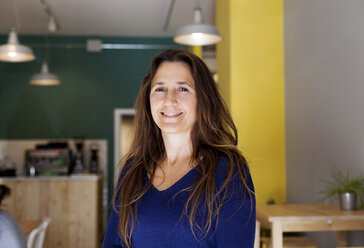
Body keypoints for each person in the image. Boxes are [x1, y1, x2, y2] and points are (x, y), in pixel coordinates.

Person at [103, 49, 256, 248]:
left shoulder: (229, 172)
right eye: (160, 89)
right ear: (148, 101)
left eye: (183, 89)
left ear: (203, 99)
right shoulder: (133, 170)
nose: (169, 99)